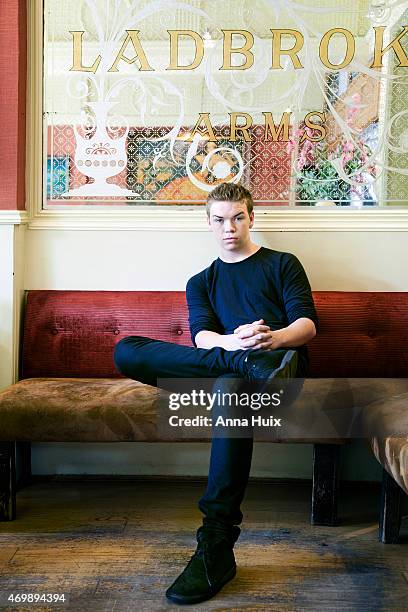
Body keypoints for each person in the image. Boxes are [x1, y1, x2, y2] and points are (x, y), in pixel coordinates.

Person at [113, 182, 318, 605]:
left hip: (280, 365)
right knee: (127, 350)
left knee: (230, 390)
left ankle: (216, 545)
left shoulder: (282, 263)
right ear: (208, 224)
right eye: (220, 219)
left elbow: (307, 326)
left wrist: (271, 338)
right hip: (233, 362)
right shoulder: (201, 281)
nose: (230, 227)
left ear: (251, 218)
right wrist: (236, 346)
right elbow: (202, 336)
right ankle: (244, 365)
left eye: (238, 217)